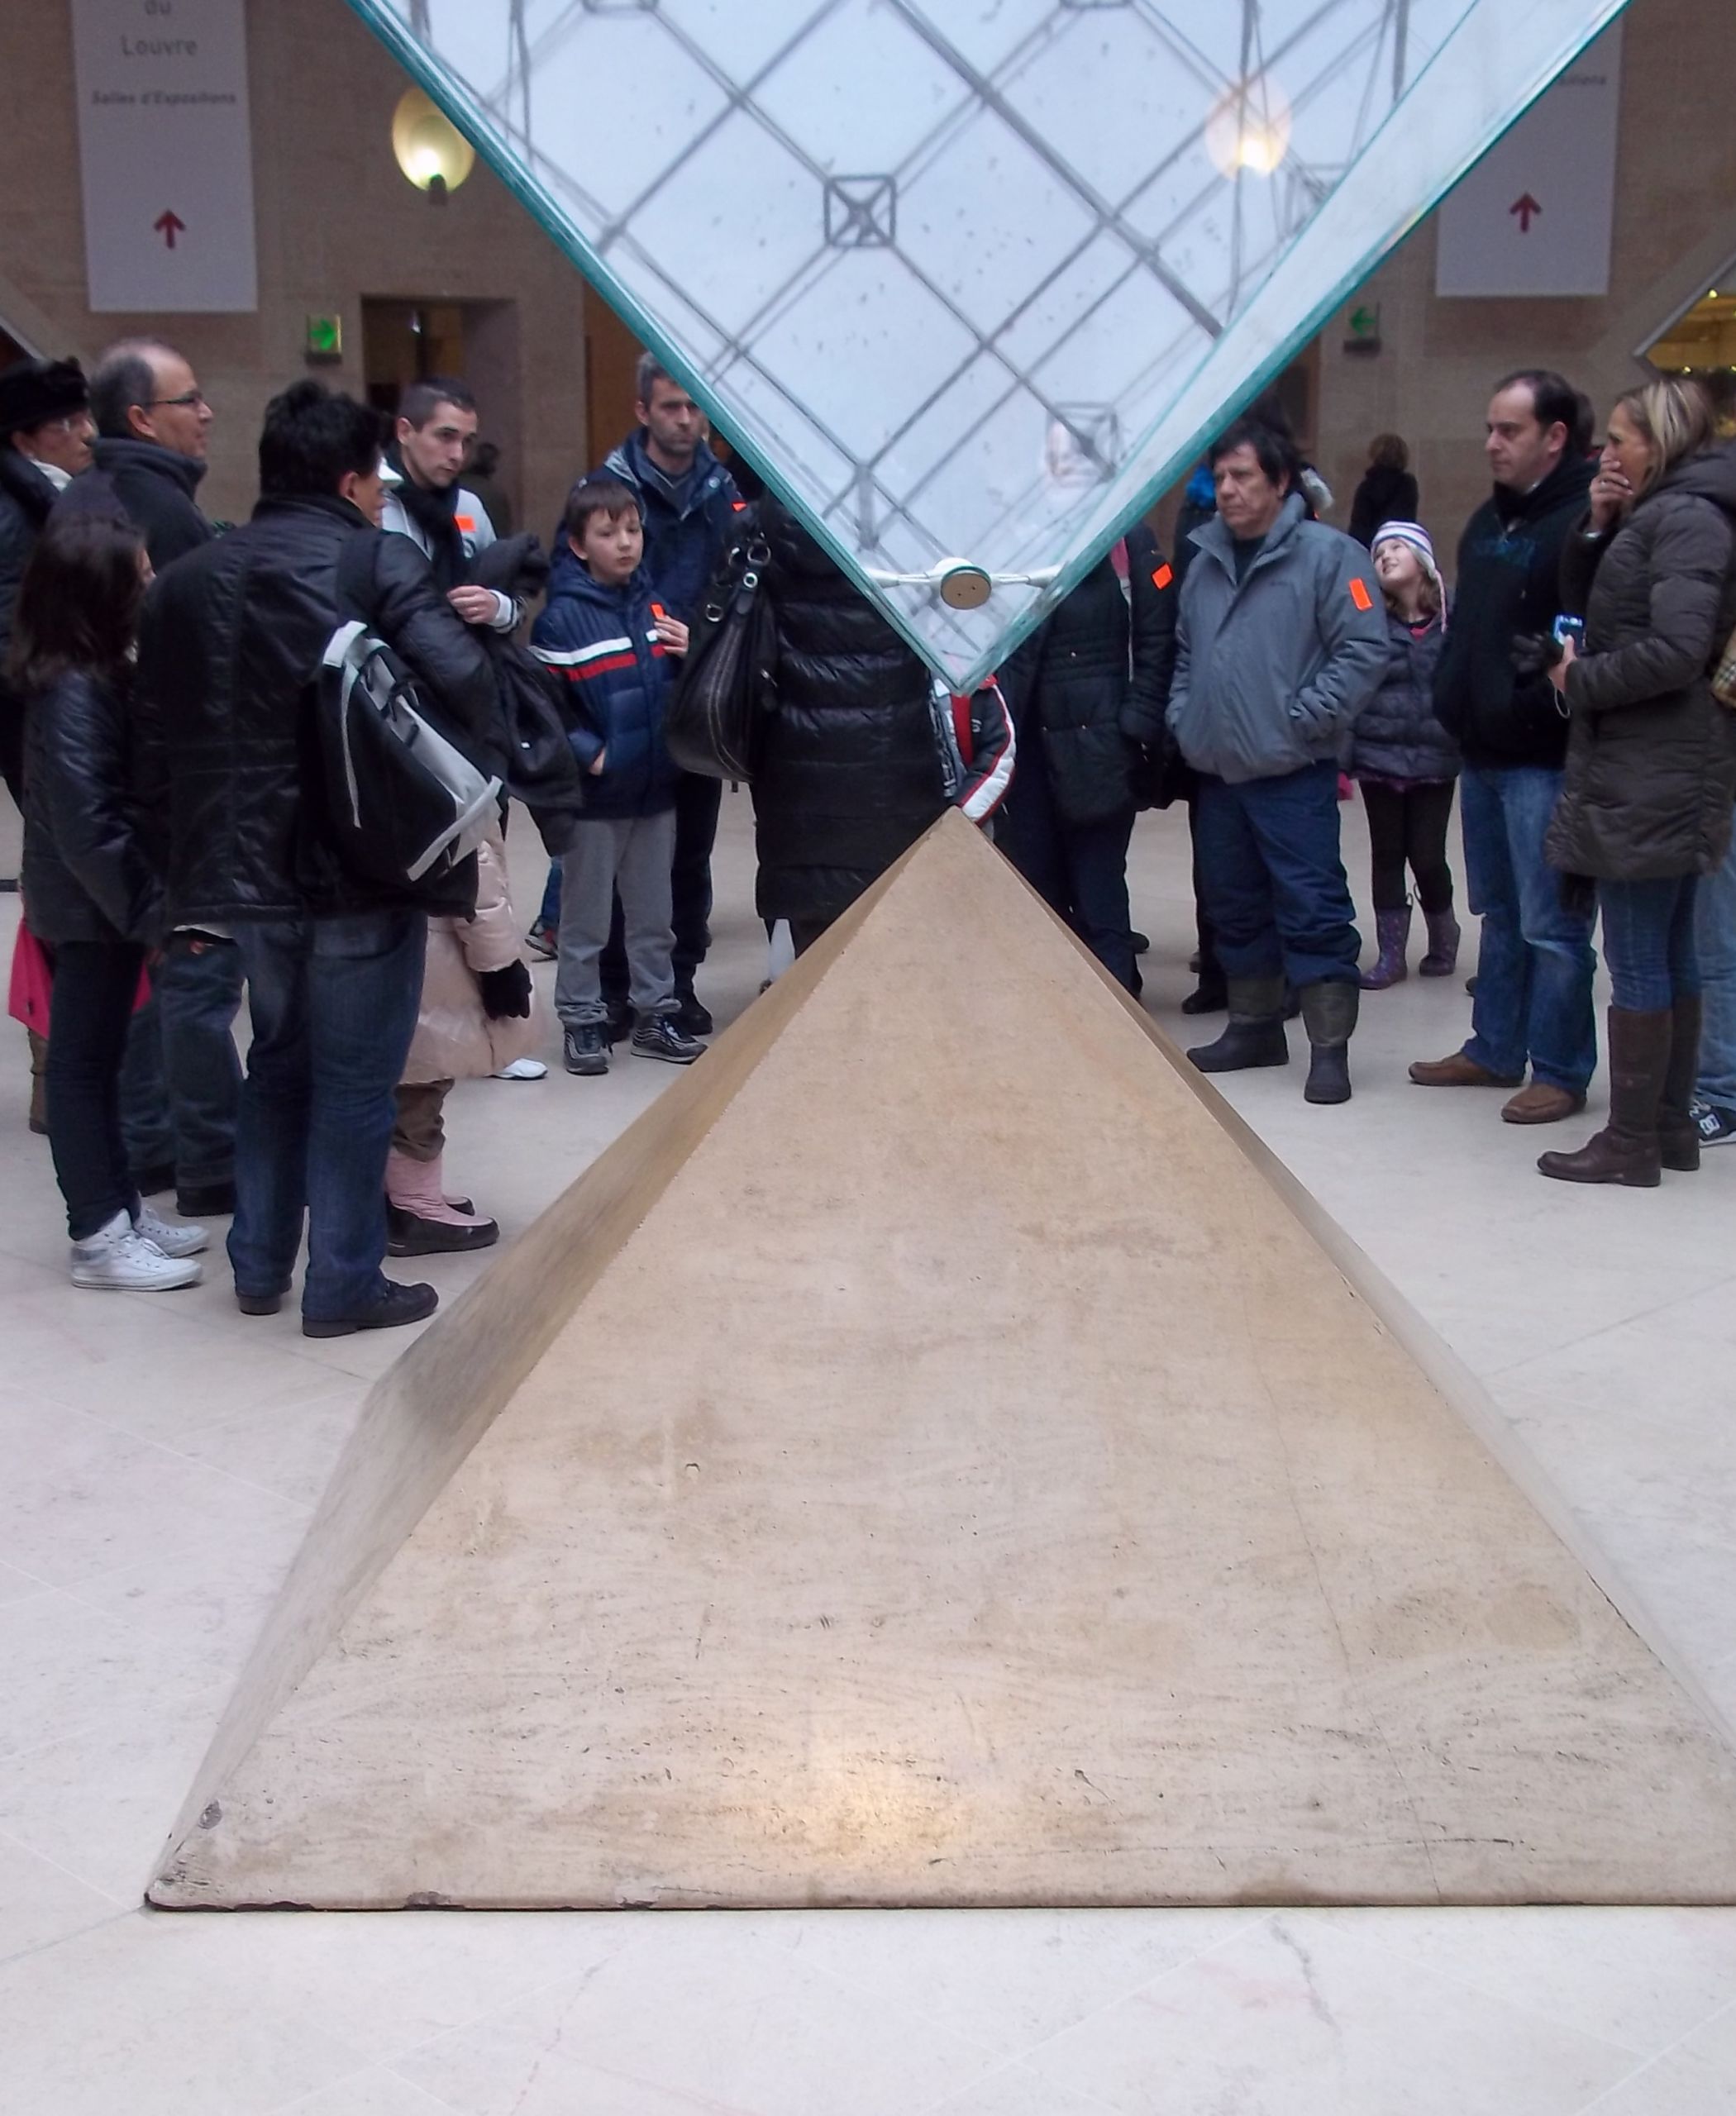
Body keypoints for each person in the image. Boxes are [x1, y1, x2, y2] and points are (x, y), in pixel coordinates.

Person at [135, 379, 501, 1336]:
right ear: (349, 480)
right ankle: (342, 1282)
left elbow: (149, 741)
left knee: (278, 1060)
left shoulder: (184, 580)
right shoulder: (364, 560)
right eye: (376, 482)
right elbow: (463, 683)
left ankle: (259, 1263)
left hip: (234, 877)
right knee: (351, 1081)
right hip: (352, 870)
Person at [1537, 380, 1736, 1187]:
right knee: (1669, 952)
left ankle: (1630, 1142)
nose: (1606, 453)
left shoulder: (1687, 517)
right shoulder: (1665, 512)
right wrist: (1597, 524)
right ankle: (1664, 1129)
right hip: (1662, 763)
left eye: (1621, 439)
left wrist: (1579, 678)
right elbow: (1598, 598)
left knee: (1641, 958)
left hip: (1653, 767)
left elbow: (1676, 650)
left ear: (1662, 441)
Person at [62, 336, 243, 1218]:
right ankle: (209, 1156)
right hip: (171, 799)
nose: (207, 412)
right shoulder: (157, 518)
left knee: (138, 989)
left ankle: (156, 1152)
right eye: (191, 398)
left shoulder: (95, 495)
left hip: (125, 796)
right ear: (141, 417)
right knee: (193, 972)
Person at [1166, 417, 1386, 1103]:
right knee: (1233, 905)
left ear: (1281, 482)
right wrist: (1185, 718)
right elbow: (1185, 655)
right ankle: (1255, 1026)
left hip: (1293, 771)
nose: (1226, 491)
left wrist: (1304, 721)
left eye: (1243, 478)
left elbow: (1363, 650)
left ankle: (1329, 1048)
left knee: (1313, 906)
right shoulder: (1202, 562)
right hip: (1220, 772)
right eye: (1219, 478)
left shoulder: (1330, 557)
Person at [12, 512, 206, 1289]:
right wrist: (149, 914)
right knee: (84, 1067)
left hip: (106, 908)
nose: (153, 583)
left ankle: (120, 1206)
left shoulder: (97, 676)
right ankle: (96, 1233)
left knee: (106, 1061)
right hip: (91, 911)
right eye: (140, 574)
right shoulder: (73, 693)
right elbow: (90, 827)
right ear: (101, 593)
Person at [531, 356, 742, 1035]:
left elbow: (742, 587)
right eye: (672, 406)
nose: (686, 419)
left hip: (691, 699)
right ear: (642, 411)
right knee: (602, 875)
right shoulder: (605, 490)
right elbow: (569, 598)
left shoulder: (723, 492)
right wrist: (586, 746)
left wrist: (706, 641)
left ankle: (673, 987)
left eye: (695, 406)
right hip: (612, 701)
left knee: (684, 858)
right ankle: (610, 993)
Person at [1411, 369, 1599, 1124]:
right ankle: (1496, 1047)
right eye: (1490, 427)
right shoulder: (1492, 522)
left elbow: (1578, 639)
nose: (1491, 443)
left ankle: (1558, 1068)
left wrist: (1529, 703)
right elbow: (1466, 623)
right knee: (1500, 910)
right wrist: (1451, 693)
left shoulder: (1580, 527)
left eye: (1509, 430)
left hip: (1544, 761)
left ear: (1555, 438)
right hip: (1484, 754)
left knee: (1552, 924)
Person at [748, 495, 1015, 953]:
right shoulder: (912, 522)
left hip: (800, 797)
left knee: (816, 973)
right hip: (898, 789)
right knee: (897, 970)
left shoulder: (762, 527)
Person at [532, 473, 703, 1075]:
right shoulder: (560, 622)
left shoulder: (656, 609)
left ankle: (656, 1013)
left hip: (656, 793)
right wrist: (587, 752)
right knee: (585, 920)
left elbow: (676, 691)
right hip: (596, 802)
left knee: (655, 914)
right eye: (608, 533)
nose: (626, 543)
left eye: (632, 529)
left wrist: (693, 652)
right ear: (579, 545)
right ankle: (582, 1020)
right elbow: (541, 710)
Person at [997, 526, 1176, 990]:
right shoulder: (1019, 535)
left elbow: (1158, 638)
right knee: (1040, 885)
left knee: (1099, 889)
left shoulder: (1129, 541)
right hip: (1029, 742)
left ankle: (1118, 1007)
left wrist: (1136, 721)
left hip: (1099, 741)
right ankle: (1068, 1013)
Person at [0, 355, 93, 1132]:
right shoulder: (23, 507)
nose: (85, 435)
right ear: (29, 436)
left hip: (43, 714)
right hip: (40, 717)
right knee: (64, 889)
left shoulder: (45, 495)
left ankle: (56, 1073)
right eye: (69, 424)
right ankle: (54, 1075)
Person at [386, 821, 537, 1251]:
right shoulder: (447, 767)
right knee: (421, 1082)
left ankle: (398, 1188)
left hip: (387, 934)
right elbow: (476, 881)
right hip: (435, 945)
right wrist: (500, 964)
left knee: (395, 1081)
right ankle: (414, 1205)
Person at [1350, 521, 1460, 987]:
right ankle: (1391, 954)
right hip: (1380, 754)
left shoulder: (1451, 619)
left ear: (1424, 561)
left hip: (1436, 756)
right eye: (1378, 553)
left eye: (1397, 548)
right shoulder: (1369, 618)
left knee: (1428, 853)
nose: (1386, 557)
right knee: (1388, 852)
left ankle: (1443, 928)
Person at [381, 376, 515, 631]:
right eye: (446, 436)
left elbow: (513, 598)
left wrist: (497, 608)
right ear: (404, 432)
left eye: (467, 442)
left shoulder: (470, 506)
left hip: (463, 660)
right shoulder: (374, 502)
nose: (458, 455)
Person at [1347, 434, 1420, 550]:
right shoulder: (1407, 484)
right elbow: (1404, 519)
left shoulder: (1366, 486)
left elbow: (1358, 526)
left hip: (1367, 549)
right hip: (1396, 546)